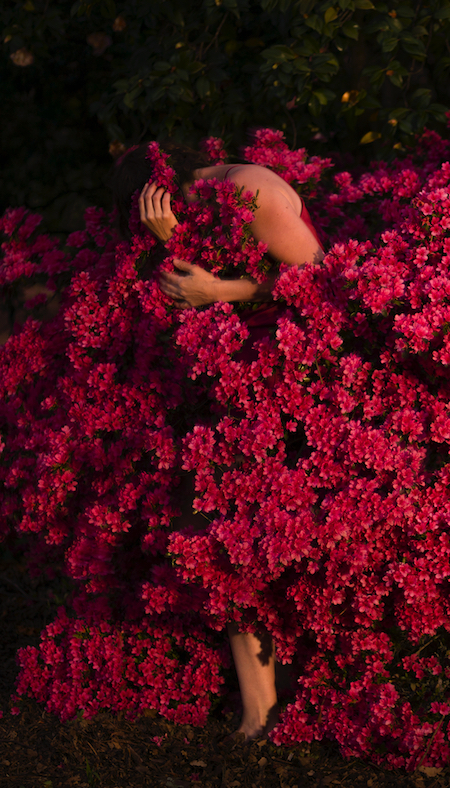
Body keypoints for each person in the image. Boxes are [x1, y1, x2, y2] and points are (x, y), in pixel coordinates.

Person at [112, 143, 326, 742]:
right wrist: (173, 241)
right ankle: (261, 711)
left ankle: (275, 708)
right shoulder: (205, 205)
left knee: (229, 534)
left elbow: (322, 277)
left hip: (294, 379)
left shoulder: (250, 192)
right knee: (217, 537)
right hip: (244, 380)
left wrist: (214, 292)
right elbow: (212, 274)